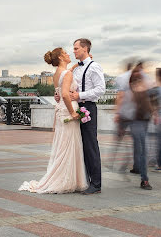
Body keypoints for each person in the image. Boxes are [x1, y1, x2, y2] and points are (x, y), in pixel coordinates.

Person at [19, 48, 88, 193]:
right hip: (68, 112)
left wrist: (76, 65)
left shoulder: (57, 74)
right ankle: (66, 180)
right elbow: (64, 93)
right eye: (66, 53)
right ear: (61, 57)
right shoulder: (67, 73)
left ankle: (64, 178)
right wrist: (73, 113)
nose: (69, 54)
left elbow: (60, 90)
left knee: (63, 145)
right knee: (69, 146)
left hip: (60, 112)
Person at [69, 38, 106, 195]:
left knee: (90, 145)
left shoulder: (94, 66)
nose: (74, 51)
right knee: (80, 145)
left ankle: (96, 184)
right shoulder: (77, 69)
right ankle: (85, 180)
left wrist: (80, 95)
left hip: (88, 107)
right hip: (77, 107)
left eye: (76, 48)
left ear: (85, 49)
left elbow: (101, 89)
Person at [129, 68, 154, 190]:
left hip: (144, 122)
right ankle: (144, 179)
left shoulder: (144, 90)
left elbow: (149, 105)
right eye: (137, 78)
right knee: (143, 150)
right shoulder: (131, 92)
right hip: (135, 122)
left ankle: (142, 175)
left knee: (142, 150)